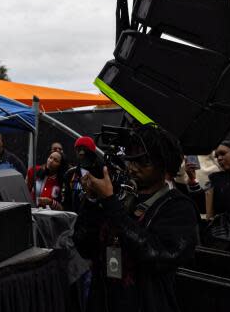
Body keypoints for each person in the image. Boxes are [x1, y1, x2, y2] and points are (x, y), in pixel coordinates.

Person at [74, 124, 199, 312]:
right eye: (131, 160)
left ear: (164, 166)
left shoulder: (179, 207)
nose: (133, 167)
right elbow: (84, 246)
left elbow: (156, 256)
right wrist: (93, 200)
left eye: (143, 162)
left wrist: (110, 202)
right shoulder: (122, 196)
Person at [63, 136, 97, 212]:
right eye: (78, 149)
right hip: (73, 219)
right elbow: (66, 201)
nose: (81, 152)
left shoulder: (99, 173)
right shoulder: (70, 174)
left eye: (84, 149)